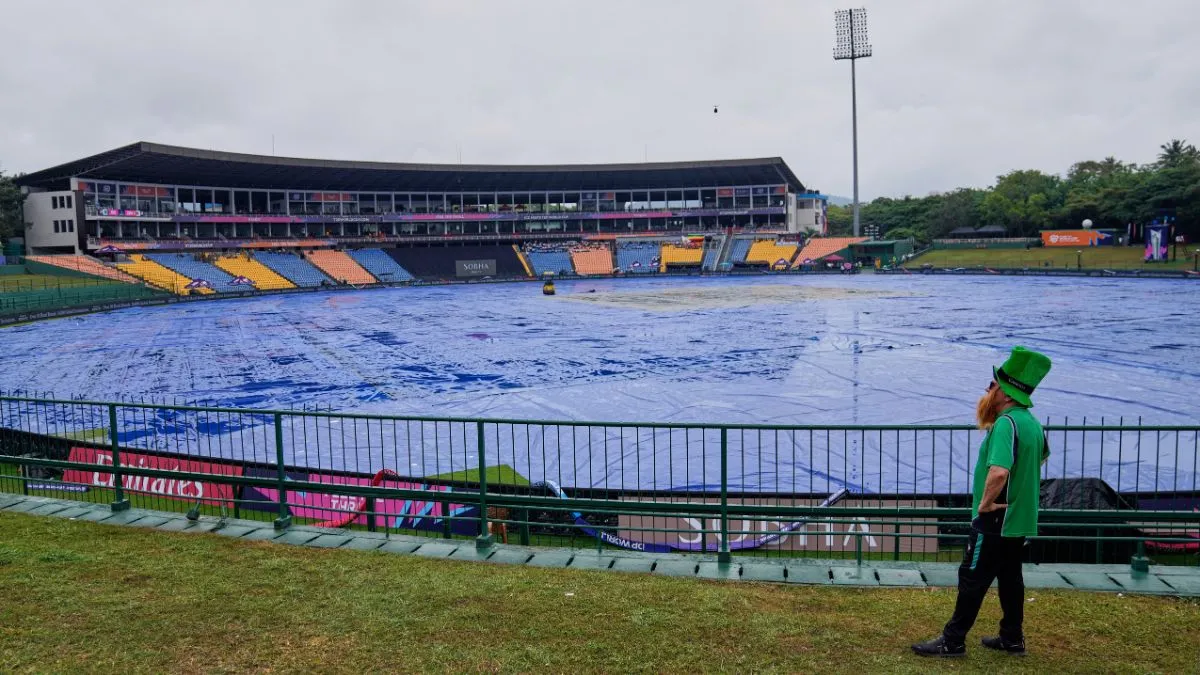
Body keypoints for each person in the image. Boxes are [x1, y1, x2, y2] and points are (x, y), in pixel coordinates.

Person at [912, 346, 1052, 658]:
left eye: (992, 385)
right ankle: (1012, 638)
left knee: (971, 578)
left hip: (995, 518)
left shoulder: (1006, 424)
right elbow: (1038, 459)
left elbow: (1000, 472)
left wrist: (987, 504)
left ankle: (953, 640)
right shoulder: (1032, 424)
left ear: (1005, 392)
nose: (987, 390)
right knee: (1010, 579)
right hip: (1018, 517)